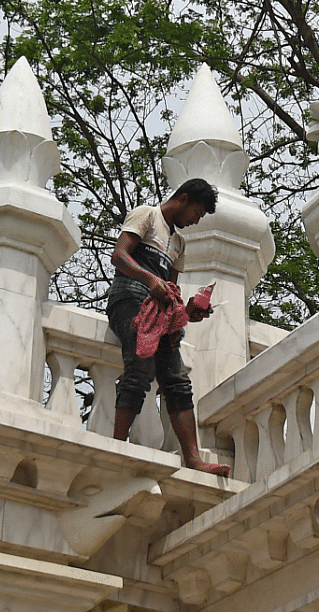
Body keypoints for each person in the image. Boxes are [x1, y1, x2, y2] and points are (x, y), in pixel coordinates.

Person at [106, 178, 231, 476]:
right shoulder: (146, 215)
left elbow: (170, 291)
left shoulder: (178, 243)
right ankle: (116, 444)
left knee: (176, 379)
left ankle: (194, 459)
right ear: (184, 199)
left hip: (159, 312)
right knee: (140, 368)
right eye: (196, 214)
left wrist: (187, 312)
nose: (194, 221)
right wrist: (150, 280)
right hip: (129, 297)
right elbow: (120, 255)